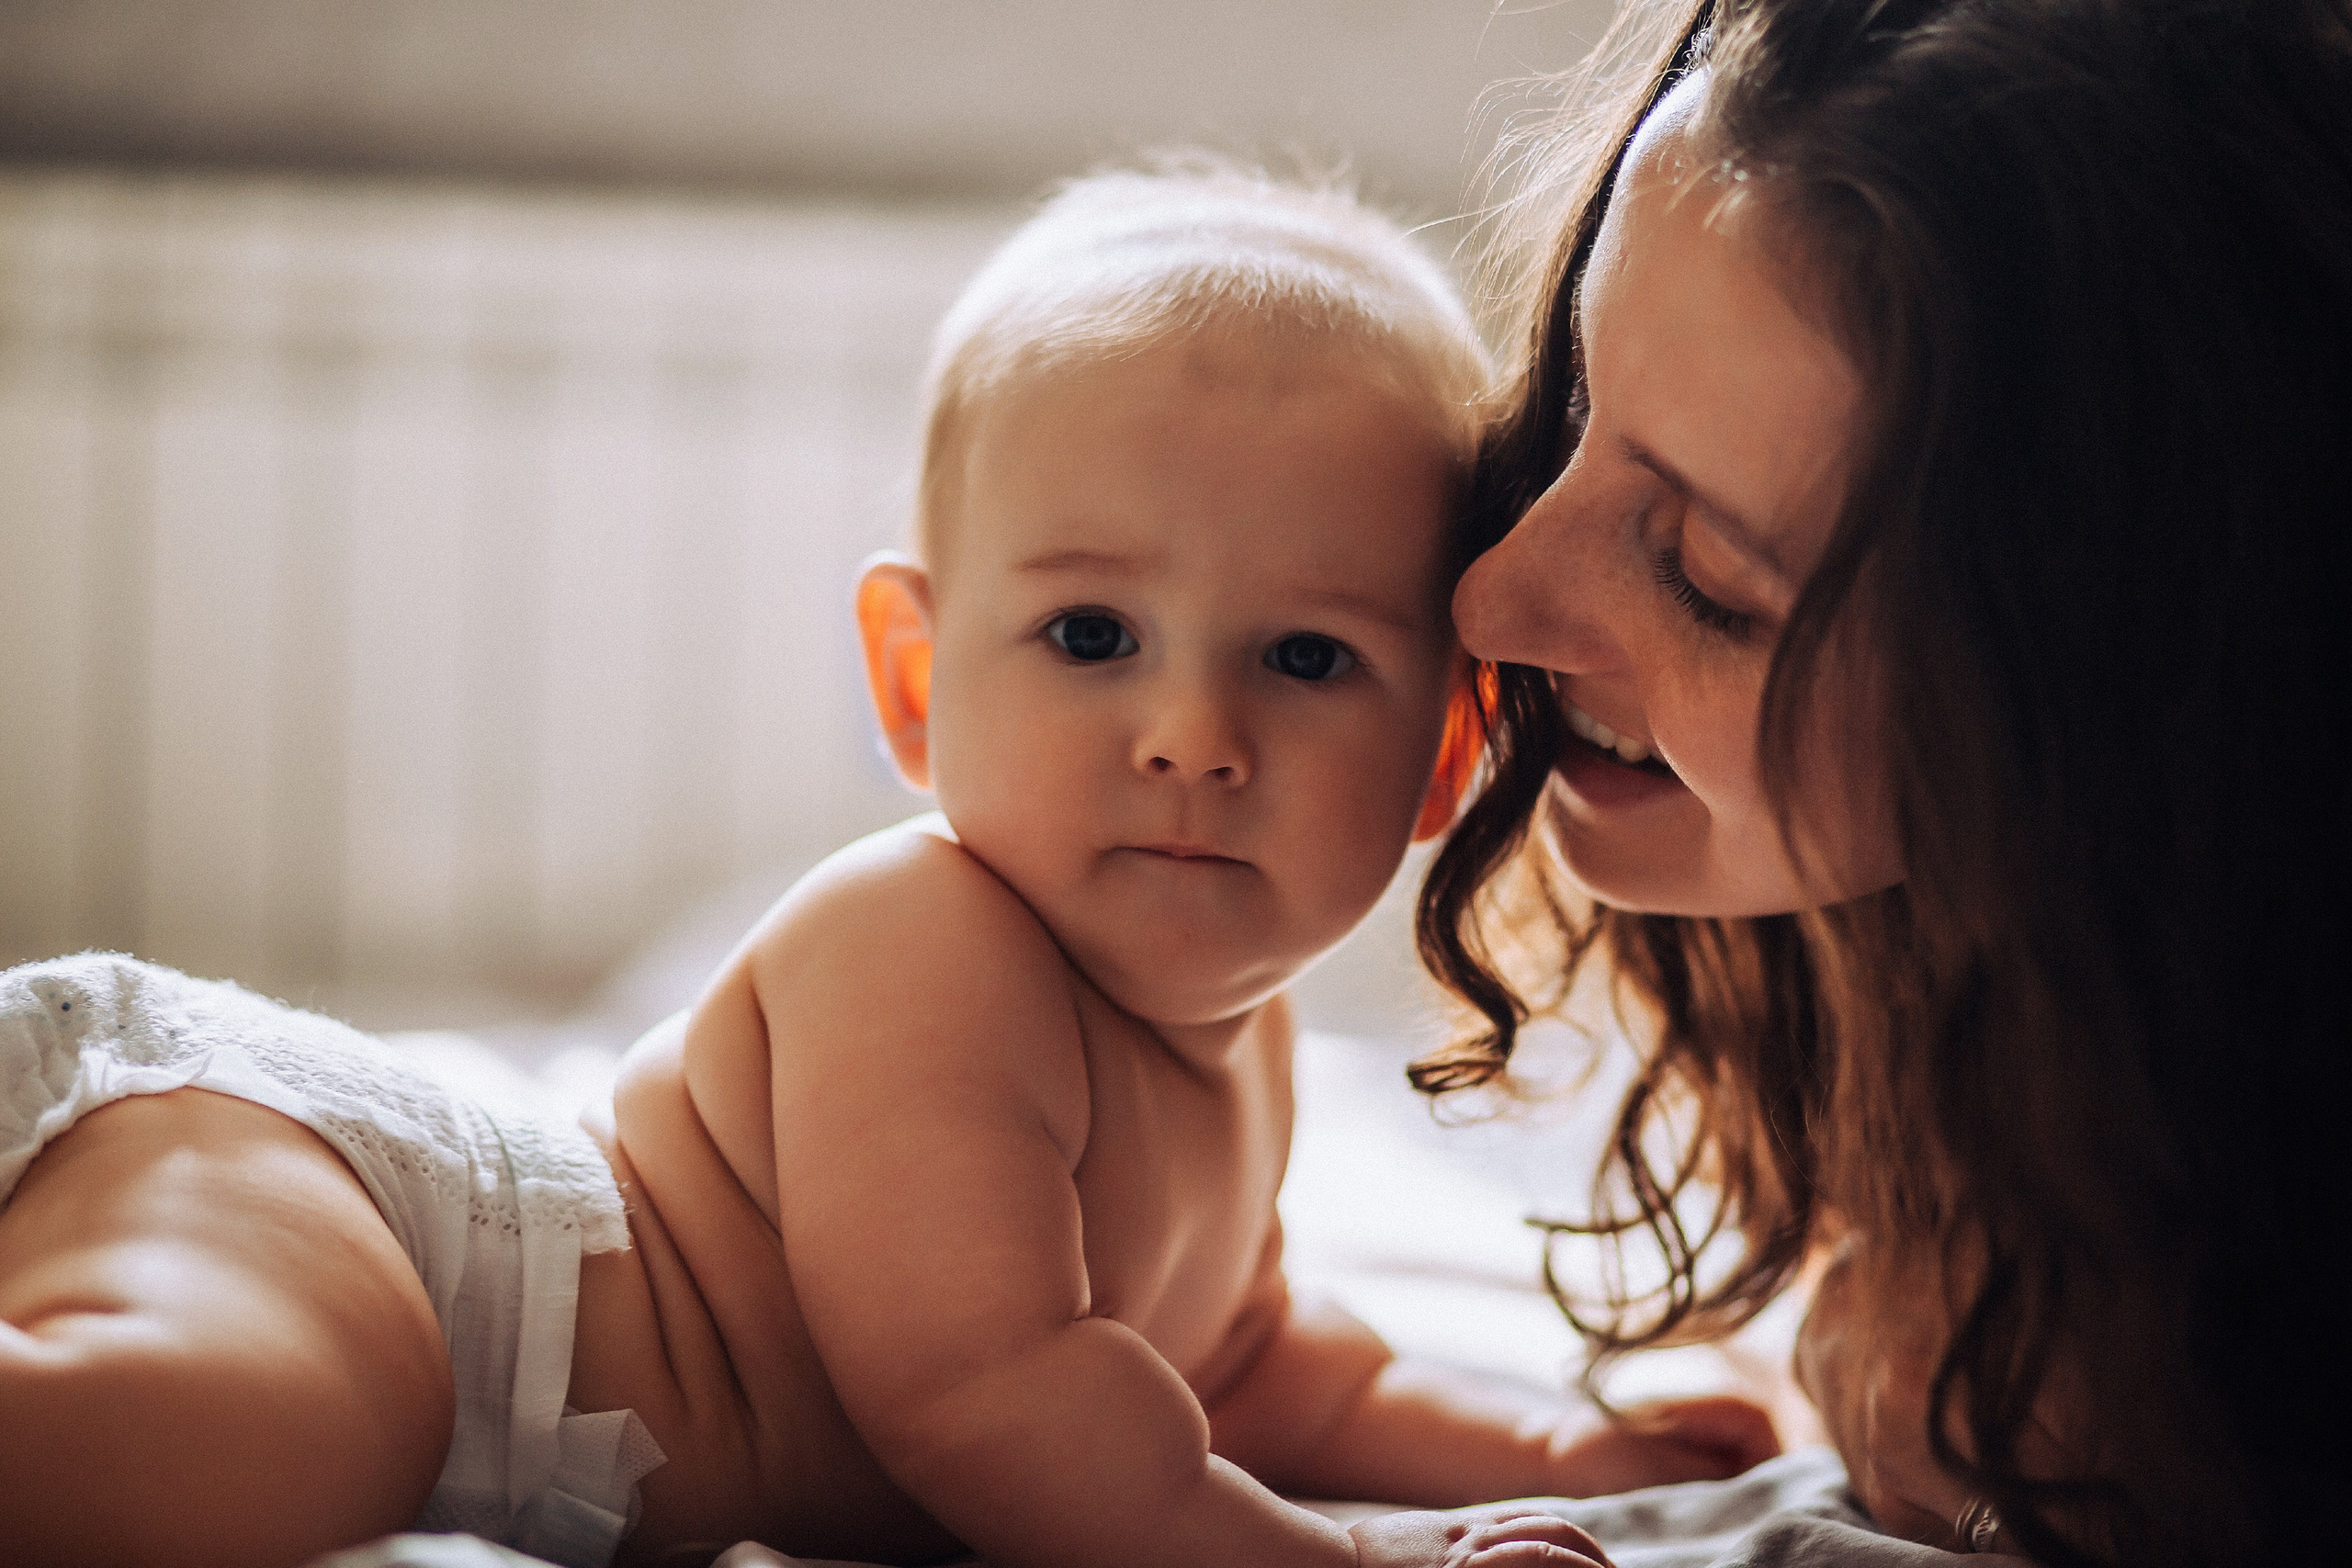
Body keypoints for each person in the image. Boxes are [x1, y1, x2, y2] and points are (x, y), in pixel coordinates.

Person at [0, 168, 1778, 1568]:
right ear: (920, 684)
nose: (1190, 732)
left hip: (420, 1316)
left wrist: (1554, 1453)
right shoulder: (924, 945)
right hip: (382, 1239)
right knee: (230, 1463)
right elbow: (989, 1389)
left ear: (1442, 757)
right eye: (1092, 633)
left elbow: (1239, 1369)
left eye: (1306, 659)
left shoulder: (1235, 1052)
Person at [1418, 1, 2351, 1564]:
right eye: (1581, 404)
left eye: (1707, 577)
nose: (1490, 600)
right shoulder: (1908, 1021)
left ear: (2113, 718)